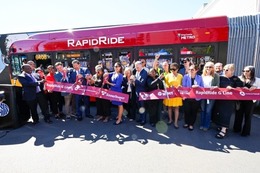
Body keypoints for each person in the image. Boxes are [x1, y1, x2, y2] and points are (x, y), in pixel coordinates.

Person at [214, 64, 243, 139]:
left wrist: (233, 88)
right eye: (224, 69)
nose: (224, 71)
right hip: (220, 100)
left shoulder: (235, 79)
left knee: (226, 115)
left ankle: (223, 130)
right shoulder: (220, 78)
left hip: (229, 101)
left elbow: (240, 87)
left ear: (232, 71)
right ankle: (221, 126)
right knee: (219, 114)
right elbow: (216, 85)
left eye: (226, 69)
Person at [233, 66, 260, 136]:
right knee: (238, 114)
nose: (245, 72)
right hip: (240, 100)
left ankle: (245, 132)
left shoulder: (257, 80)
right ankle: (237, 129)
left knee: (248, 116)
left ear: (252, 71)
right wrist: (240, 88)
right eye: (244, 71)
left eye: (247, 71)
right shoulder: (239, 78)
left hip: (250, 101)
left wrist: (255, 88)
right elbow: (235, 86)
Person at [182, 64, 204, 130]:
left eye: (192, 69)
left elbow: (202, 88)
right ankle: (186, 122)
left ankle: (191, 124)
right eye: (189, 69)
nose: (190, 71)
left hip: (196, 98)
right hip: (187, 97)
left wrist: (198, 86)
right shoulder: (185, 77)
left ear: (196, 70)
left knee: (194, 111)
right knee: (187, 111)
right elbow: (184, 86)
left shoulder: (200, 77)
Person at [200, 62, 219, 131]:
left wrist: (214, 87)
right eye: (207, 67)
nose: (208, 68)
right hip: (202, 95)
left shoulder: (216, 75)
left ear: (213, 68)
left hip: (211, 95)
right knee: (202, 109)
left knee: (208, 110)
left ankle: (206, 125)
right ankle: (202, 124)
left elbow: (218, 85)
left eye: (210, 67)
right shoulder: (202, 75)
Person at [163, 63, 183, 129]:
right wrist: (168, 87)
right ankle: (170, 120)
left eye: (174, 69)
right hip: (170, 94)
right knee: (169, 107)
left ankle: (176, 122)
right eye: (171, 69)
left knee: (177, 108)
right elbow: (165, 84)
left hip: (177, 95)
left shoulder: (180, 76)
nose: (172, 71)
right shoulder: (167, 76)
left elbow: (183, 85)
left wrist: (180, 86)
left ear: (177, 69)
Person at [134, 61, 148, 125]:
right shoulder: (137, 72)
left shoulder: (144, 72)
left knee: (142, 106)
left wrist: (134, 79)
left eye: (137, 66)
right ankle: (141, 118)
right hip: (137, 92)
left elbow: (142, 83)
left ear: (141, 65)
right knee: (139, 106)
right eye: (135, 67)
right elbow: (137, 83)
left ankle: (143, 120)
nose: (136, 68)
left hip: (142, 92)